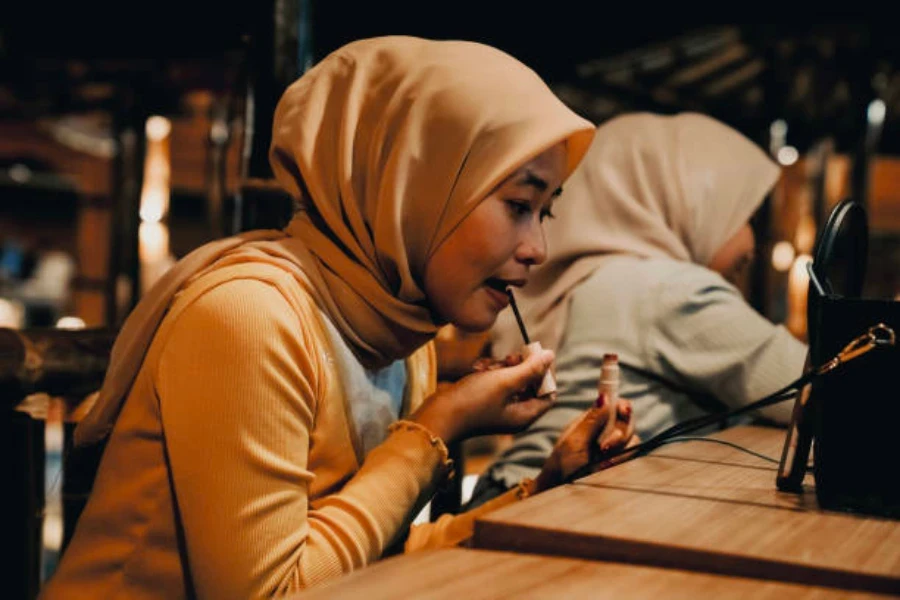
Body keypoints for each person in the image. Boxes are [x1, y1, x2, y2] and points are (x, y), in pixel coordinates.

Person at [41, 36, 635, 598]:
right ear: (416, 184)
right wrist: (439, 426)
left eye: (544, 213)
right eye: (518, 205)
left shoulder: (403, 341)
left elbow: (372, 564)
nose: (537, 248)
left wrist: (542, 488)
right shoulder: (251, 315)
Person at [467, 112, 808, 508]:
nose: (753, 244)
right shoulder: (665, 290)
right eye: (742, 214)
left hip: (511, 491)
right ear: (685, 198)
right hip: (546, 503)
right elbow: (833, 390)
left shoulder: (597, 277)